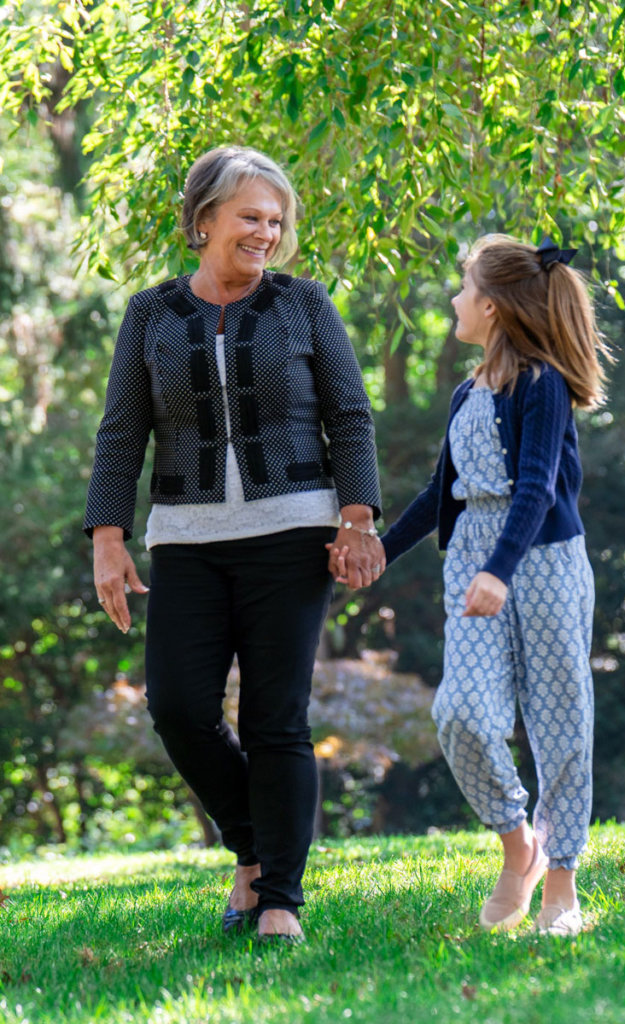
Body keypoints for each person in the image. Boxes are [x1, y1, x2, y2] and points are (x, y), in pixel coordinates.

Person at [84, 145, 384, 943]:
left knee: (275, 718)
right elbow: (122, 431)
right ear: (205, 217)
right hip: (184, 539)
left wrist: (358, 517)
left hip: (293, 533)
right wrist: (105, 539)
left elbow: (349, 417)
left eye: (276, 220)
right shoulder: (150, 314)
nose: (266, 232)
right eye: (250, 216)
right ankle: (252, 849)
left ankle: (279, 897)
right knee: (178, 706)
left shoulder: (304, 303)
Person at [338, 235, 610, 936]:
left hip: (542, 559)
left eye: (462, 289)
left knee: (559, 720)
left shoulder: (541, 382)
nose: (454, 301)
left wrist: (501, 568)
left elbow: (536, 484)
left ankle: (561, 882)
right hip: (470, 563)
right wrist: (378, 555)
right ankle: (517, 843)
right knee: (460, 713)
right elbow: (441, 491)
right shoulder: (467, 390)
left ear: (489, 306)